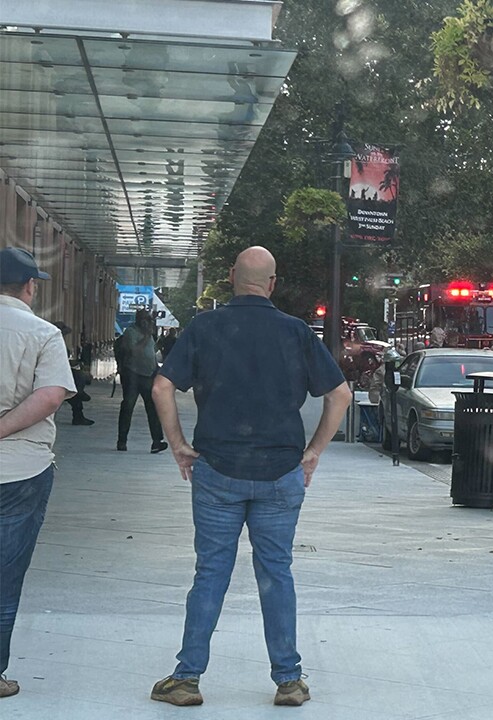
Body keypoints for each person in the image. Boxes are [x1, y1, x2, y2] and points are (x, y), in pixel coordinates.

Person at [150, 247, 351, 708]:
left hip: (217, 471)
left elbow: (162, 386)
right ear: (273, 284)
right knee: (276, 572)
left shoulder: (204, 327)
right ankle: (289, 680)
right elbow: (339, 394)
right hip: (282, 473)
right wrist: (314, 452)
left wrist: (179, 445)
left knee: (211, 573)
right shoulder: (296, 332)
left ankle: (187, 678)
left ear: (230, 278)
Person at [0, 247, 78, 699]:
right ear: (30, 287)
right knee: (5, 576)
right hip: (21, 471)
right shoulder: (43, 333)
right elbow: (50, 396)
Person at [115, 308, 166, 453]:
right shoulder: (131, 332)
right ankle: (122, 440)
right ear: (138, 319)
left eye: (149, 319)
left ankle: (157, 441)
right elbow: (133, 351)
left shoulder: (148, 334)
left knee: (153, 408)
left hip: (148, 375)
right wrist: (146, 336)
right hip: (132, 374)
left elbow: (151, 353)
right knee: (128, 406)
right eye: (144, 319)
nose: (147, 322)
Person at [54, 322, 93, 425]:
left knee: (77, 379)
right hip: (55, 375)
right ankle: (79, 392)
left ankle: (79, 393)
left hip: (60, 372)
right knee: (76, 382)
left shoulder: (58, 342)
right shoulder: (53, 343)